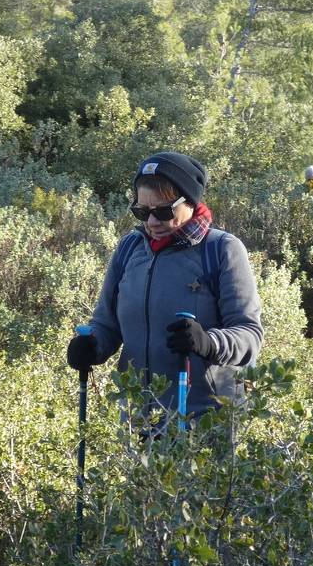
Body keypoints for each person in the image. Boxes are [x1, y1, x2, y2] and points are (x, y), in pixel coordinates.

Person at [67, 151, 263, 431]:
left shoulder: (222, 250)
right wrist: (93, 346)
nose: (152, 222)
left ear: (190, 202)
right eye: (142, 212)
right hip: (138, 419)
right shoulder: (129, 248)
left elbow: (249, 334)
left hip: (206, 420)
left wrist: (208, 342)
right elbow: (106, 324)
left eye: (163, 211)